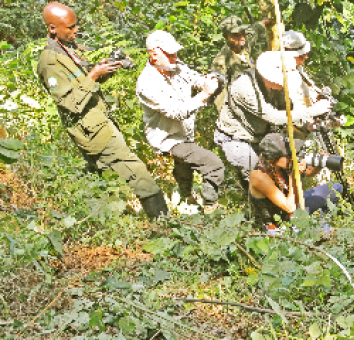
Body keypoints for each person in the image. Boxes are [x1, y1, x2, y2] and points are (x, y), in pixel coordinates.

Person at [36, 2, 168, 220]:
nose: (75, 30)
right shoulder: (50, 61)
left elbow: (82, 83)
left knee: (102, 178)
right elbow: (70, 102)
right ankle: (166, 224)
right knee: (136, 171)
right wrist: (94, 75)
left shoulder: (66, 50)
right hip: (92, 131)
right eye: (69, 27)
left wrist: (106, 69)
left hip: (98, 124)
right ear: (52, 28)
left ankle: (105, 222)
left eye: (75, 25)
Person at [214, 43, 334, 189]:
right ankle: (258, 205)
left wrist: (306, 125)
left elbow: (287, 109)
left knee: (287, 164)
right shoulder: (245, 87)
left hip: (261, 134)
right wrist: (312, 110)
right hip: (236, 137)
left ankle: (286, 196)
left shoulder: (276, 86)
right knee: (256, 175)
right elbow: (274, 116)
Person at [136, 30, 225, 211]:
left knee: (184, 166)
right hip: (167, 138)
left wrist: (210, 81)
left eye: (175, 53)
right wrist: (205, 94)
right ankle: (211, 208)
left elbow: (195, 79)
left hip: (185, 132)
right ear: (154, 55)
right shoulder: (147, 83)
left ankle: (186, 197)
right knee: (213, 164)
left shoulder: (177, 67)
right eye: (169, 54)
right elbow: (176, 112)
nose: (174, 58)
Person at [249, 133, 342, 235]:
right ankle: (317, 231)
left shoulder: (282, 165)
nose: (292, 157)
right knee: (327, 231)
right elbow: (289, 207)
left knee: (336, 188)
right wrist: (293, 175)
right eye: (288, 155)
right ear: (274, 158)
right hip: (280, 225)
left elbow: (309, 173)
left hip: (294, 208)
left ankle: (320, 222)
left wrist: (320, 163)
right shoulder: (259, 176)